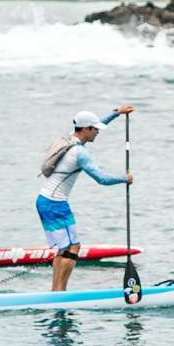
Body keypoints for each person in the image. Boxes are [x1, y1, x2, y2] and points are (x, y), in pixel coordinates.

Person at [38, 106, 134, 291]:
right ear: (86, 129)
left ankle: (56, 291)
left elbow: (96, 125)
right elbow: (102, 179)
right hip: (54, 204)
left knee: (65, 248)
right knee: (72, 248)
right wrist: (125, 178)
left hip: (47, 201)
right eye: (95, 129)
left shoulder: (69, 138)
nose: (98, 132)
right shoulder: (80, 153)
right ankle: (60, 292)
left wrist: (116, 113)